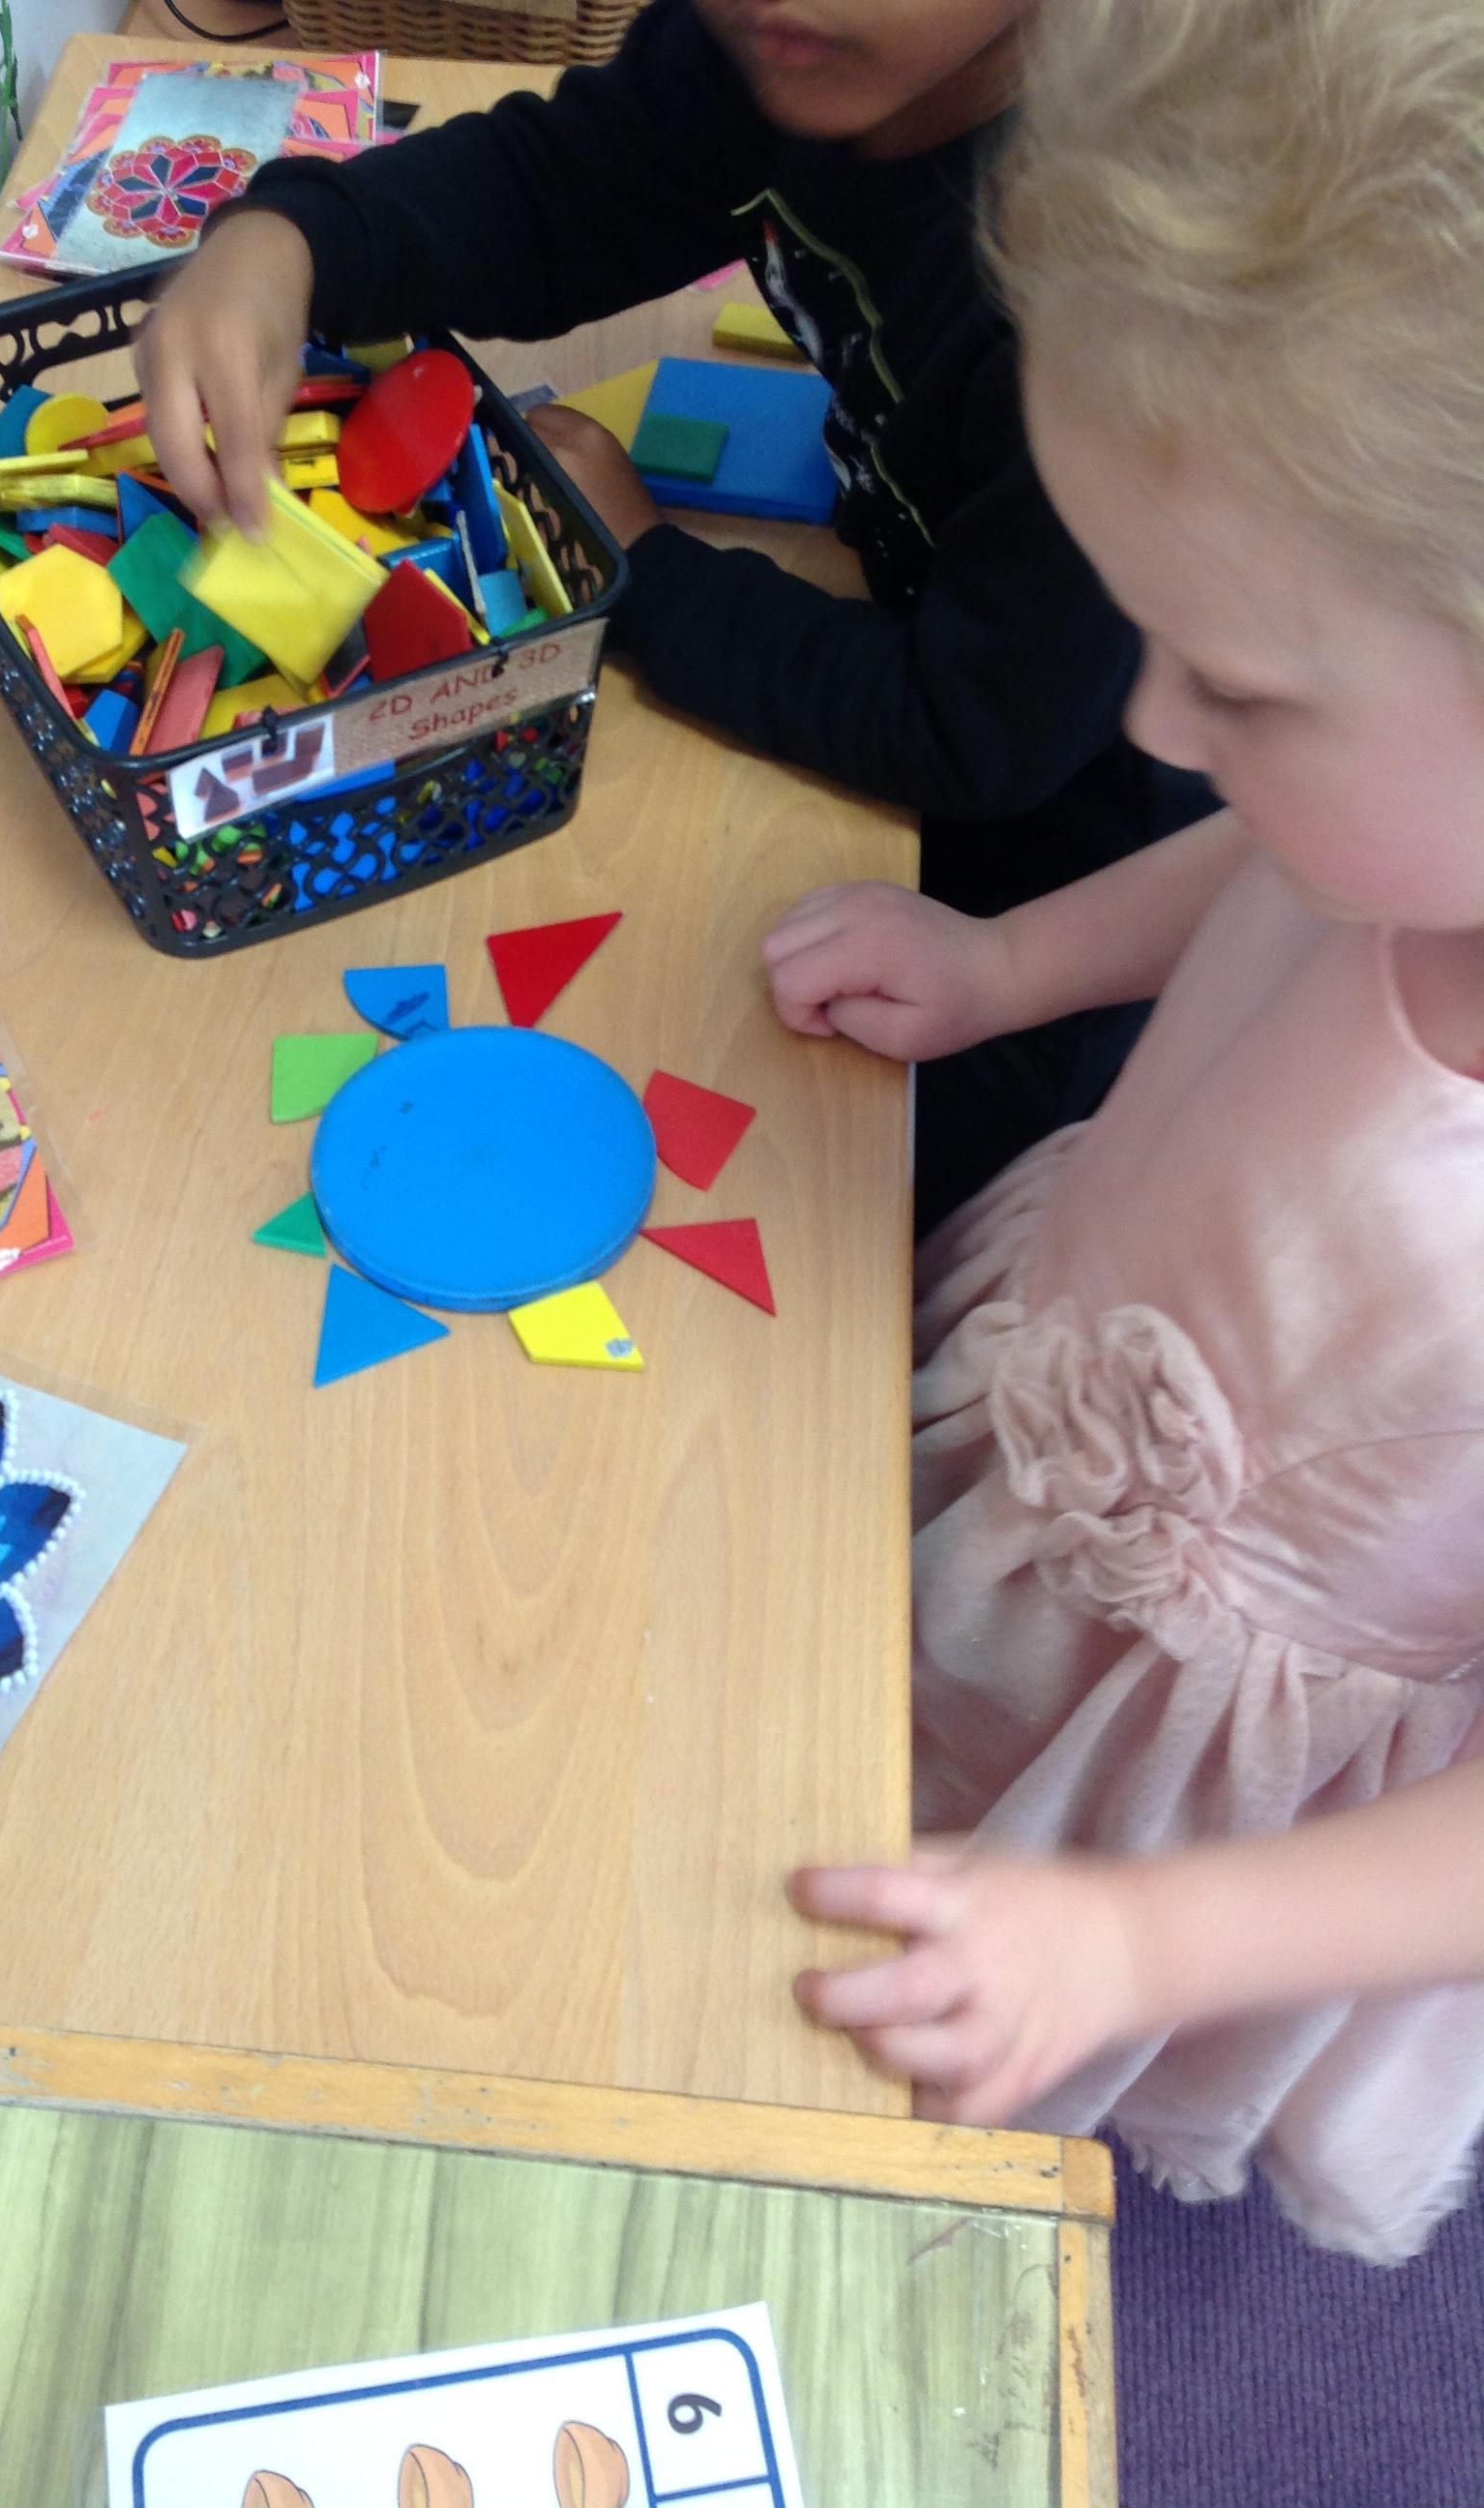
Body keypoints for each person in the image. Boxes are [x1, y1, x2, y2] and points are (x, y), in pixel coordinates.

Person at [767, 0, 1484, 2262]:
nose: (1154, 726)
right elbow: (1267, 869)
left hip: (1210, 1784)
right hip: (1065, 1376)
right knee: (860, 1744)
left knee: (965, 2016)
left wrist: (1140, 1940)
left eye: (1235, 687)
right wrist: (1004, 966)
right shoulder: (1391, 815)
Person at [134, 0, 1212, 1235]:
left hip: (1052, 902)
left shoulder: (1118, 292)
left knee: (780, 1212)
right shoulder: (793, 43)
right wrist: (292, 238)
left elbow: (977, 730)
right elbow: (568, 187)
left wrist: (644, 566)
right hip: (934, 677)